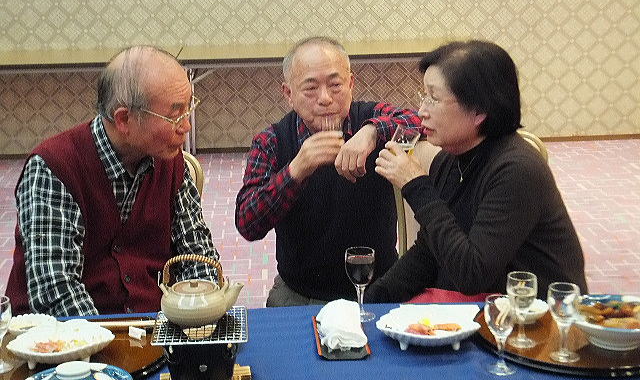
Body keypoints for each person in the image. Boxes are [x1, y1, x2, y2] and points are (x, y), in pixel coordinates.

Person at [5, 46, 220, 316]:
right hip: (70, 334)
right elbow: (56, 291)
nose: (186, 125)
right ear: (124, 119)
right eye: (175, 114)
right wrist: (110, 340)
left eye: (189, 108)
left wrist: (200, 311)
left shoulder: (169, 160)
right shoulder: (54, 168)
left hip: (153, 325)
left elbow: (198, 253)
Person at [367, 40, 587, 303]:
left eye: (434, 98)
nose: (422, 111)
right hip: (489, 307)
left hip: (540, 316)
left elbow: (472, 274)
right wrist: (370, 301)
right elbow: (429, 251)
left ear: (479, 111)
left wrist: (416, 185)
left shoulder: (517, 170)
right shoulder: (448, 160)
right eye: (423, 96)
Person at [235, 36, 421, 306]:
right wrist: (296, 170)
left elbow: (420, 123)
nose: (325, 99)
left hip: (378, 288)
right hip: (301, 293)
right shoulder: (272, 141)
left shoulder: (370, 118)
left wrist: (372, 131)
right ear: (288, 94)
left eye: (335, 85)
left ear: (351, 83)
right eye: (311, 88)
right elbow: (247, 223)